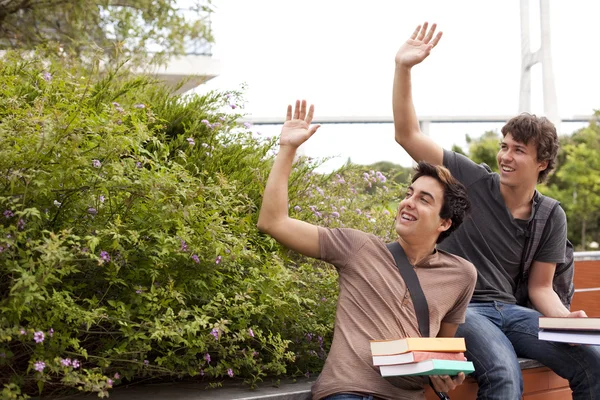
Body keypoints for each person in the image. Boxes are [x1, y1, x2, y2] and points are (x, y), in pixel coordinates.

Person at [392, 22, 600, 399]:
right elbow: (407, 134)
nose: (505, 156)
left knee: (594, 359)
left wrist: (565, 321)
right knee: (504, 373)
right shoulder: (470, 179)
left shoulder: (550, 214)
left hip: (513, 312)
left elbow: (540, 288)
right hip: (464, 310)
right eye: (505, 146)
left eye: (518, 150)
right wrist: (403, 68)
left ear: (542, 162)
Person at [257, 99, 476, 400]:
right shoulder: (357, 247)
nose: (408, 202)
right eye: (409, 193)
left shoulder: (461, 274)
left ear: (445, 223)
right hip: (347, 391)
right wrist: (287, 149)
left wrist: (443, 375)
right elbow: (273, 221)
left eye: (424, 200)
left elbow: (439, 352)